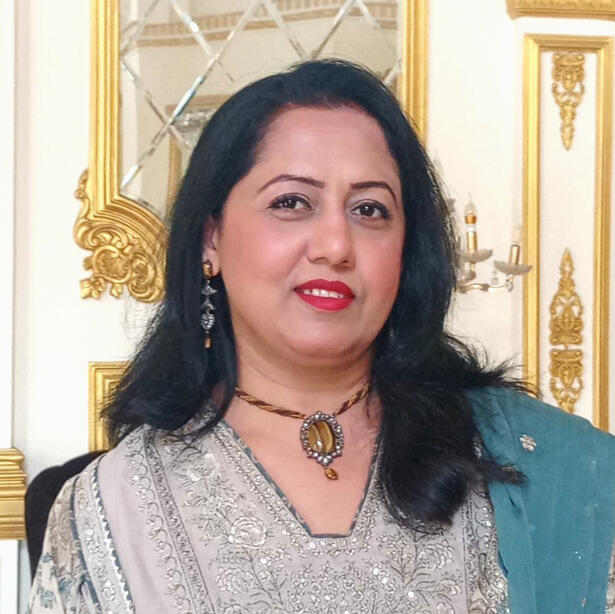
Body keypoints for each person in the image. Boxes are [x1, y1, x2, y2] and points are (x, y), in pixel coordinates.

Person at [29, 59, 615, 613]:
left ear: (407, 249)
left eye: (370, 210)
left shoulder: (538, 467)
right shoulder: (108, 510)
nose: (335, 245)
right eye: (292, 202)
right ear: (211, 239)